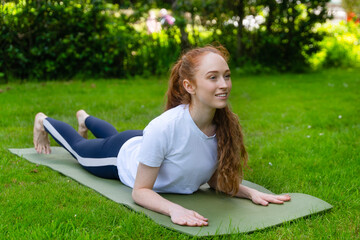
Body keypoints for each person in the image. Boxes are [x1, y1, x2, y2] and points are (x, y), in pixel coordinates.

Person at [33, 45, 291, 227]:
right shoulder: (165, 127)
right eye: (213, 77)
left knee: (114, 134)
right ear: (189, 86)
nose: (224, 84)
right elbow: (141, 191)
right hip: (119, 158)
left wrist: (248, 193)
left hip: (143, 143)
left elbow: (210, 178)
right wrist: (173, 209)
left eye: (226, 76)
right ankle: (43, 121)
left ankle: (84, 118)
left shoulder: (224, 124)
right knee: (80, 149)